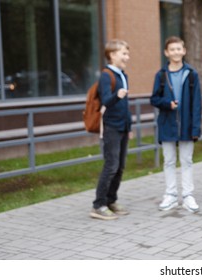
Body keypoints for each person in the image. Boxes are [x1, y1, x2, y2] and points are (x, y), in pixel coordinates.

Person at [151, 36, 202, 213]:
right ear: (166, 53)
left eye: (178, 49)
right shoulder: (161, 75)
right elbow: (154, 99)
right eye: (172, 49)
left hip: (187, 126)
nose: (176, 52)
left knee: (187, 161)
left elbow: (196, 104)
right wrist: (167, 103)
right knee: (169, 161)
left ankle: (188, 196)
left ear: (184, 50)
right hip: (167, 125)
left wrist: (196, 128)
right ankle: (171, 195)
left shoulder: (192, 74)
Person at [90, 39, 132, 220]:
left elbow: (125, 106)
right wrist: (118, 95)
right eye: (124, 53)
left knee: (120, 166)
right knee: (111, 165)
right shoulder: (107, 75)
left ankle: (111, 200)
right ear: (112, 55)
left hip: (123, 127)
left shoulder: (123, 74)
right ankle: (98, 204)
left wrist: (129, 127)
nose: (127, 57)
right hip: (111, 127)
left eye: (127, 54)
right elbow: (106, 100)